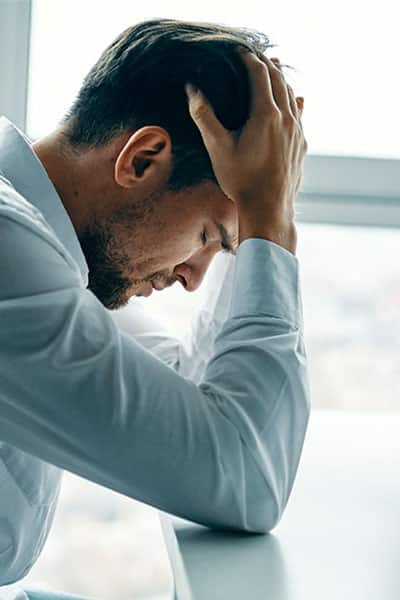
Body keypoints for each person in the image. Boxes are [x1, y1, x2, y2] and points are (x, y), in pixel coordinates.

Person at [0, 19, 310, 600]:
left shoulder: (50, 252)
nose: (194, 280)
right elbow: (246, 478)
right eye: (207, 237)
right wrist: (270, 222)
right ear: (142, 160)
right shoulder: (7, 256)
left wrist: (255, 226)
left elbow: (191, 393)